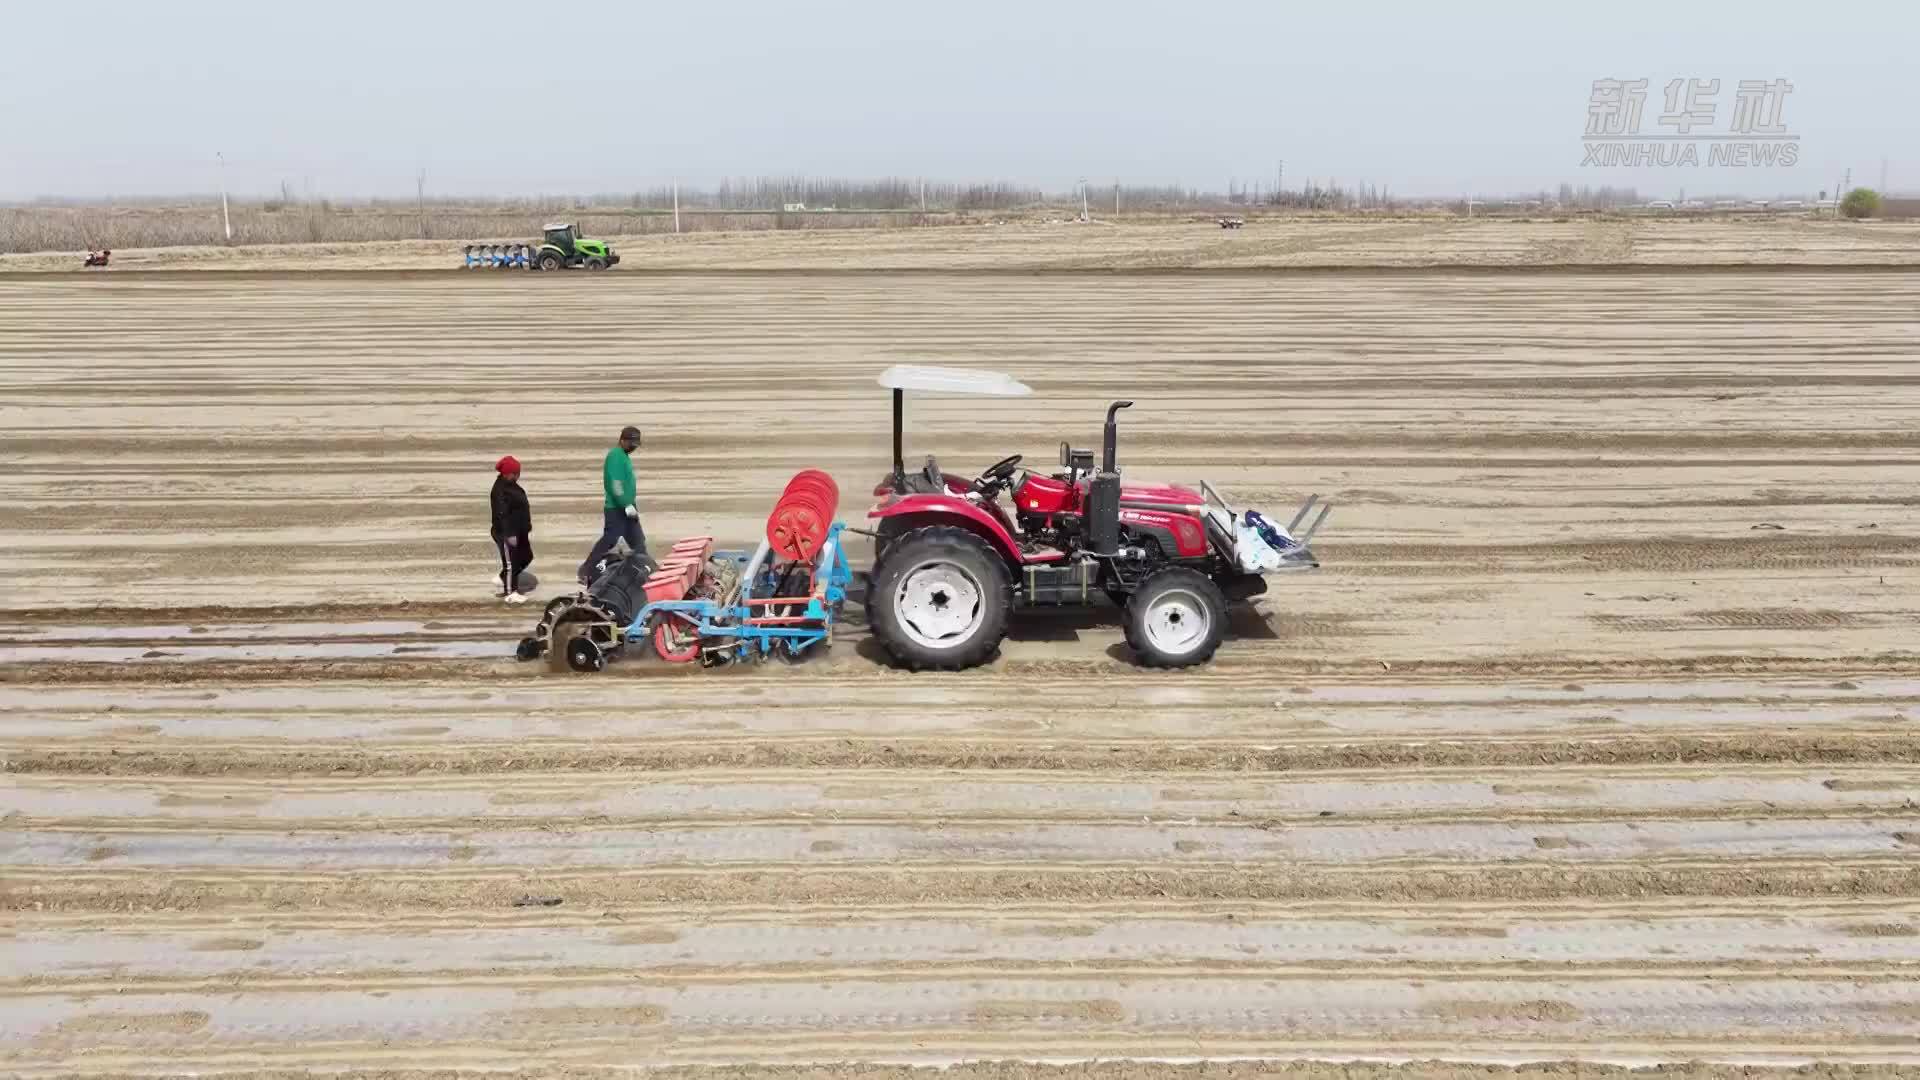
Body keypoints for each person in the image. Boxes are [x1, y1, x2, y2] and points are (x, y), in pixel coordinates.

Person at [577, 425, 647, 584]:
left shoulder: (622, 456)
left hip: (627, 506)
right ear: (622, 440)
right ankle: (586, 570)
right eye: (632, 444)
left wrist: (630, 505)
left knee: (637, 540)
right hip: (617, 509)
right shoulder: (615, 456)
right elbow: (615, 485)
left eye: (636, 445)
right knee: (610, 540)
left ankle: (643, 570)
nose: (634, 448)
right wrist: (625, 505)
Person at [490, 456, 534, 603]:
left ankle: (505, 578)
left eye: (518, 472)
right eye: (515, 473)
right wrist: (509, 534)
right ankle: (510, 593)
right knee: (510, 563)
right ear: (506, 473)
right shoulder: (499, 490)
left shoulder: (512, 485)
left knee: (526, 557)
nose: (517, 475)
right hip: (506, 533)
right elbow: (501, 515)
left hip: (519, 531)